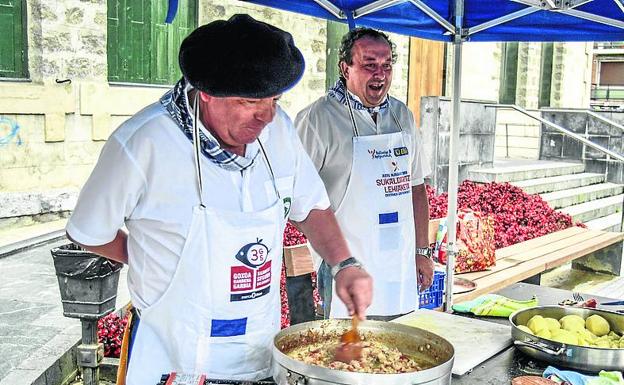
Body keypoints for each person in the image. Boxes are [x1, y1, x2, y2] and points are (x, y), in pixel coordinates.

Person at [66, 14, 372, 384]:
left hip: (260, 351)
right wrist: (148, 257)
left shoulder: (281, 133)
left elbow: (312, 207)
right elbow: (89, 230)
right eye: (249, 101)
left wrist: (344, 263)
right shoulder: (142, 144)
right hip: (174, 358)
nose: (267, 116)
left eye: (275, 99)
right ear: (206, 91)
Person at [295, 27, 433, 320]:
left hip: (398, 259)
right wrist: (334, 258)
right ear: (345, 68)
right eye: (369, 64)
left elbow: (416, 187)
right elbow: (298, 200)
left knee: (398, 346)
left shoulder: (402, 116)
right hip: (344, 263)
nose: (380, 74)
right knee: (346, 348)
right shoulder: (317, 119)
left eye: (386, 66)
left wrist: (423, 251)